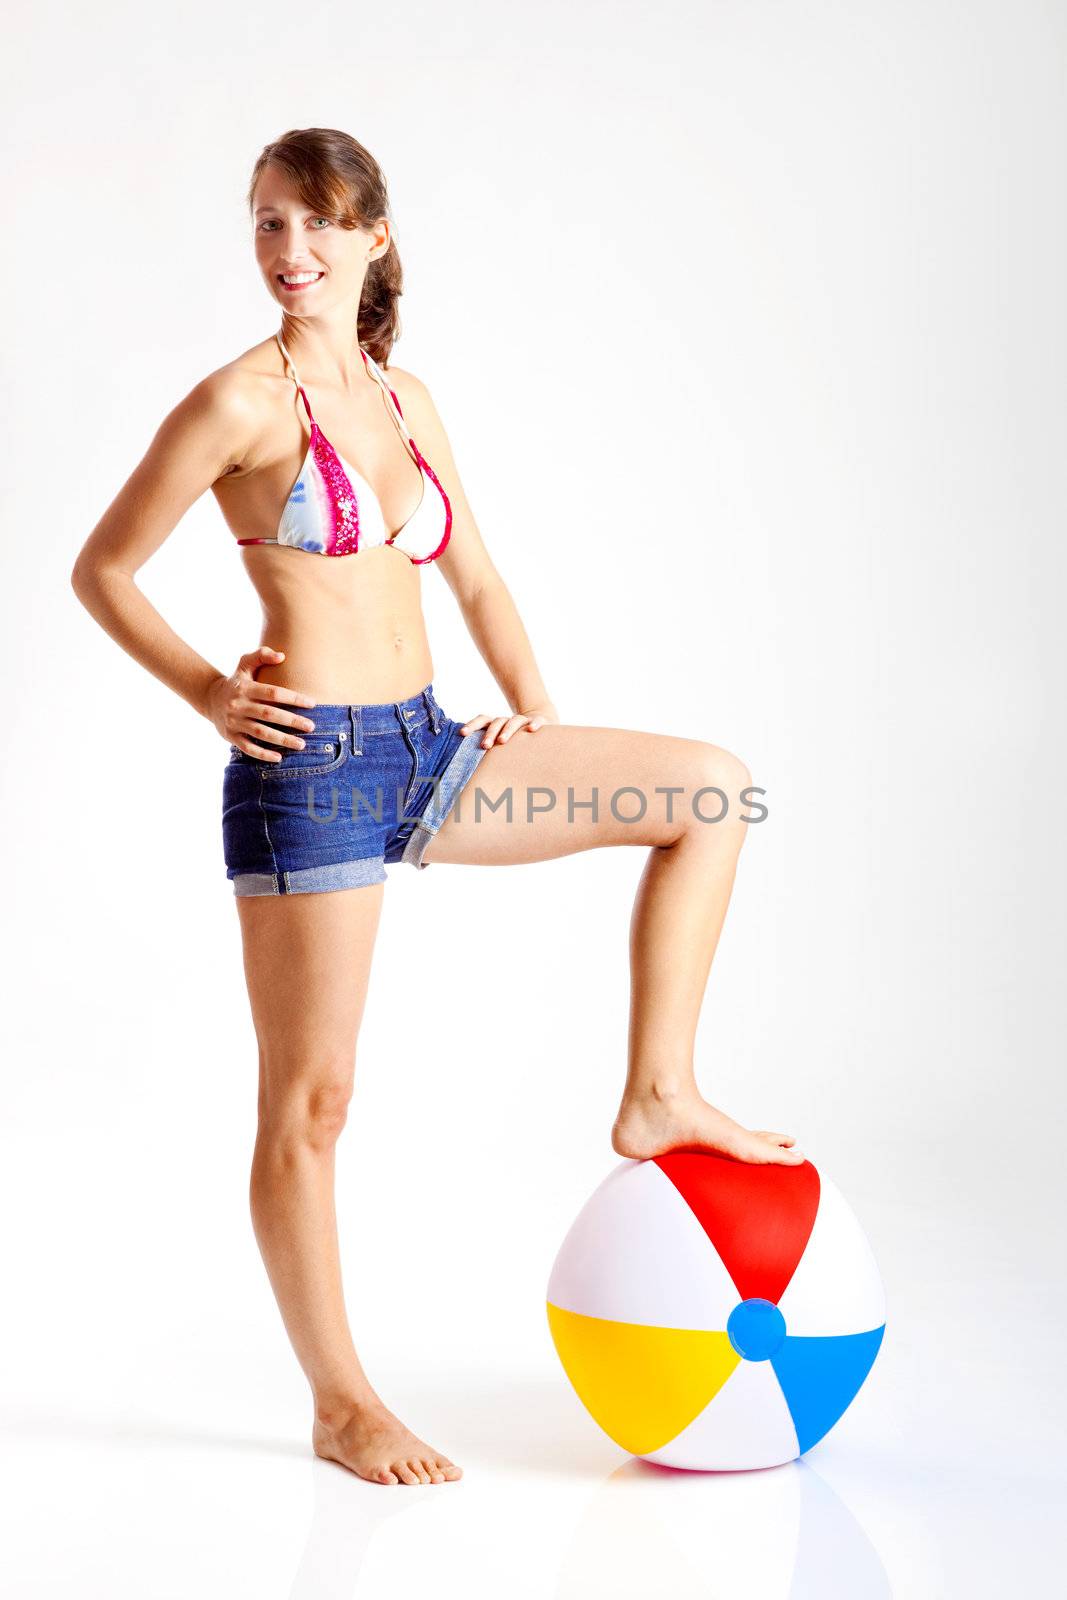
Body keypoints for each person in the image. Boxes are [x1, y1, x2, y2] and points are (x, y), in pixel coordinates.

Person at [70, 126, 803, 1489]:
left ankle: (658, 1091)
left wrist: (534, 704)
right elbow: (102, 570)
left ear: (373, 239)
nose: (288, 252)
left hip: (432, 751)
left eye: (315, 224)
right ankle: (342, 1404)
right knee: (314, 1099)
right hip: (309, 774)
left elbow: (476, 579)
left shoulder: (409, 403)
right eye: (267, 225)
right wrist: (210, 696)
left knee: (706, 790)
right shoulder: (239, 403)